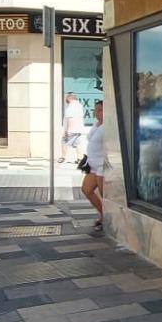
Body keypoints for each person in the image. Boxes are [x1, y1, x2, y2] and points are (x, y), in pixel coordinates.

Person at [80, 100, 107, 233]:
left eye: (100, 110)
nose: (97, 113)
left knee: (104, 194)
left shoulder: (108, 126)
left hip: (102, 165)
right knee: (86, 189)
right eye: (95, 110)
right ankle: (103, 215)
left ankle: (106, 219)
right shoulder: (96, 125)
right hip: (93, 165)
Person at [61, 90, 87, 163]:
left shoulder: (71, 106)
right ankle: (79, 158)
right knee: (77, 144)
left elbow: (70, 119)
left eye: (67, 97)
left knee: (64, 141)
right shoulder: (79, 105)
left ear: (70, 97)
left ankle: (63, 157)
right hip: (78, 129)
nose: (66, 98)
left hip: (71, 129)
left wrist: (66, 131)